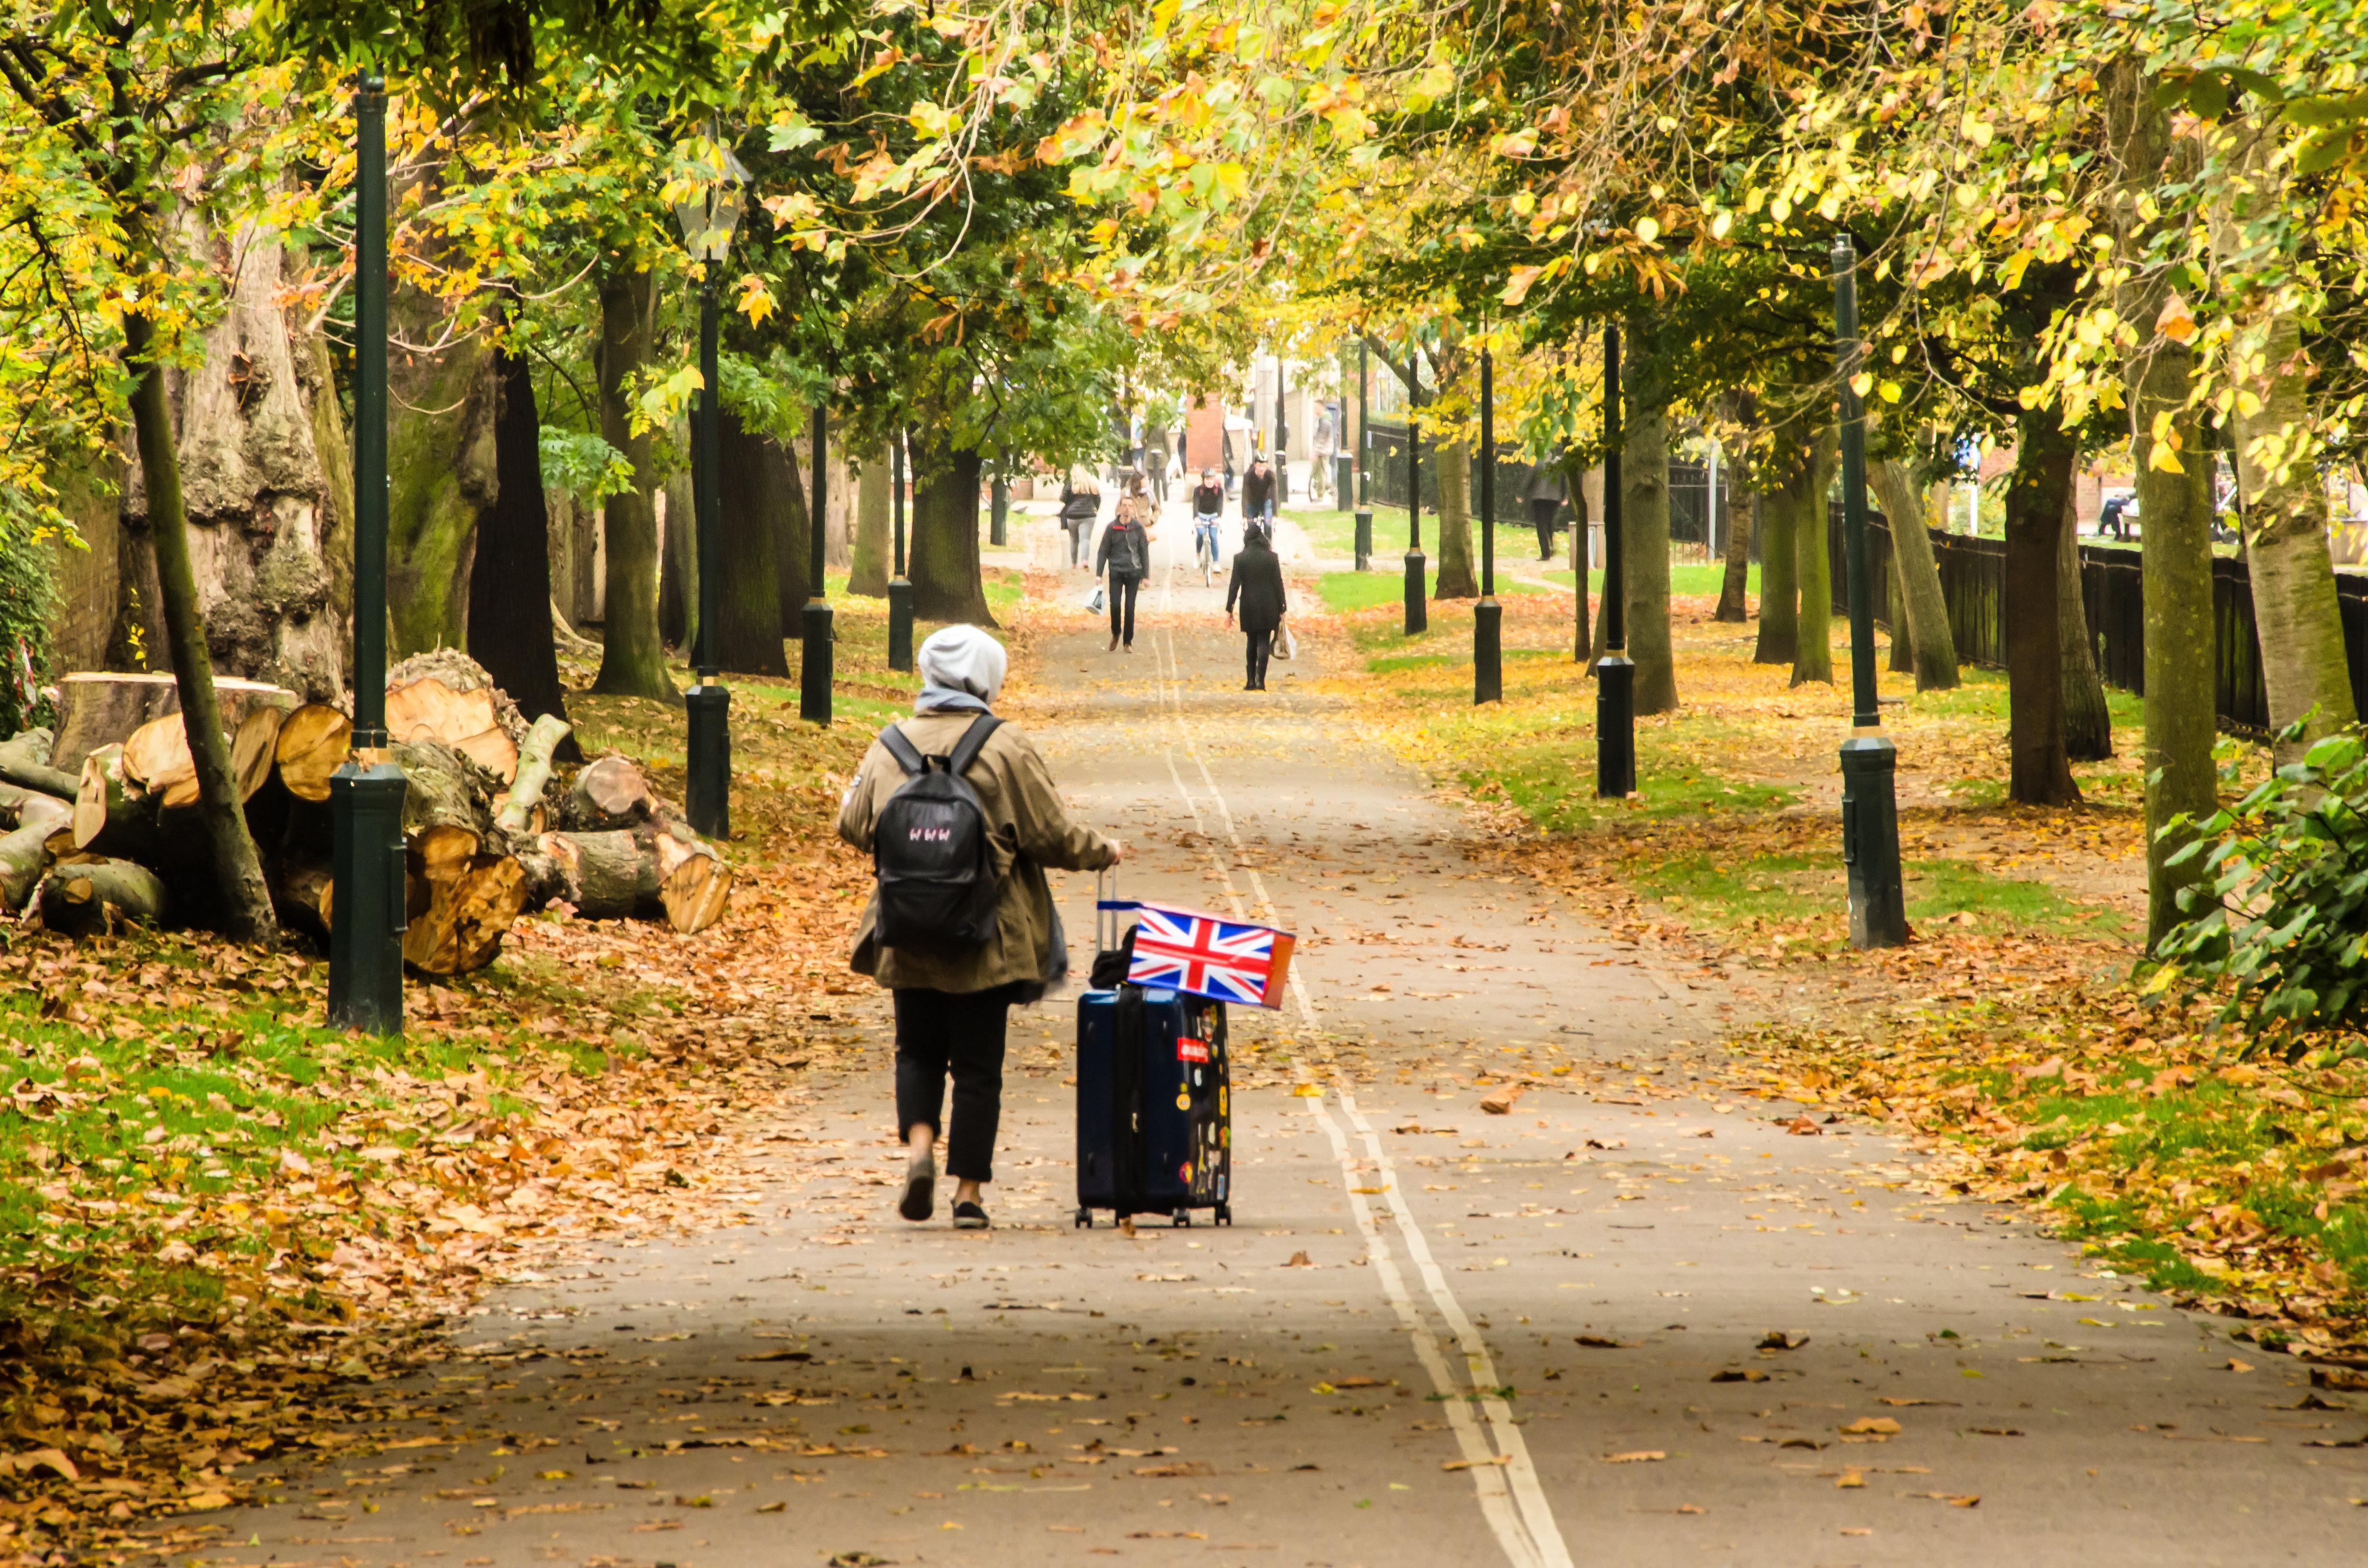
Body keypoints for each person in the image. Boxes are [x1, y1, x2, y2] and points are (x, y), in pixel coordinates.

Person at [837, 625, 1122, 1230]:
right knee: (977, 1066)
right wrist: (1103, 851)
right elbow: (1051, 835)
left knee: (915, 1049)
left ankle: (919, 1150)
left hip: (906, 928)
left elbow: (853, 824)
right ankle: (968, 1193)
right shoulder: (1003, 746)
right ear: (985, 677)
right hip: (985, 936)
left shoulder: (889, 745)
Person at [1227, 521, 1288, 691]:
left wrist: (1230, 608)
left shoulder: (1240, 558)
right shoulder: (1272, 557)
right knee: (1264, 640)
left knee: (1251, 641)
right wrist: (1283, 606)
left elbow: (1234, 585)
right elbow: (1278, 583)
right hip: (1270, 605)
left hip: (1249, 605)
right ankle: (1261, 680)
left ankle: (1250, 681)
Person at [1096, 479, 1155, 651]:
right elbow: (1102, 552)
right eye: (1125, 505)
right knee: (1115, 605)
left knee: (1130, 608)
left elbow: (1144, 552)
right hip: (1116, 571)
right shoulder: (1112, 528)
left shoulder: (1138, 529)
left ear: (1134, 509)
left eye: (1130, 506)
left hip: (1134, 572)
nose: (1127, 509)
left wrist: (1146, 576)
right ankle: (1116, 632)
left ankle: (1128, 642)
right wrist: (1099, 575)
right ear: (1120, 508)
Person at [1058, 465, 1101, 568]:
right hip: (1088, 516)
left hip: (1072, 516)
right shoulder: (1092, 485)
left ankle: (1074, 563)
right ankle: (1085, 561)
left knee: (1074, 540)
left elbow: (1063, 498)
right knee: (1085, 539)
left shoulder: (1071, 485)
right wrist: (1095, 510)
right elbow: (1098, 500)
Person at [1523, 464, 1567, 561]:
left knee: (1541, 525)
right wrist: (1564, 496)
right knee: (1550, 523)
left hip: (1539, 497)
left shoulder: (1536, 460)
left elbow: (1530, 478)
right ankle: (1551, 544)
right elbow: (1564, 479)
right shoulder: (1557, 461)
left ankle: (1546, 553)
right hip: (1555, 497)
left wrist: (1522, 493)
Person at [1190, 468, 1225, 577]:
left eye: (1211, 479)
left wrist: (1219, 518)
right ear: (1203, 480)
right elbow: (1195, 505)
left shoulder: (1219, 490)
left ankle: (1216, 562)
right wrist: (1196, 518)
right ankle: (1198, 556)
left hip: (1213, 516)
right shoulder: (1198, 490)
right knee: (1201, 534)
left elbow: (1220, 505)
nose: (1210, 481)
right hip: (1201, 515)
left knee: (1213, 537)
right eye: (1207, 479)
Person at [1241, 453, 1277, 530]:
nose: (1262, 469)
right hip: (1252, 503)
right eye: (1259, 466)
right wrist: (1244, 517)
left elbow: (1275, 495)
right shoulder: (1248, 475)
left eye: (1264, 466)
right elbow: (1245, 496)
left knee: (1268, 525)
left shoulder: (1271, 475)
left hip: (1266, 502)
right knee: (1250, 526)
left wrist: (1275, 516)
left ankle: (1268, 542)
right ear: (1255, 465)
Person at [1311, 404, 1337, 503]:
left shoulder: (1325, 421)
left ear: (1321, 408)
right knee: (1316, 473)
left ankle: (1320, 496)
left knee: (1320, 473)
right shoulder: (1321, 420)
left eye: (1316, 407)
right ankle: (1330, 488)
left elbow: (1321, 439)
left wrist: (1315, 453)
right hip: (1321, 451)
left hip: (1322, 452)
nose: (1314, 410)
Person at [1145, 423, 1172, 506]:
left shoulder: (1147, 425)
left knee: (1148, 479)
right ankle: (1165, 497)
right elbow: (1167, 442)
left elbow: (1142, 439)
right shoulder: (1163, 425)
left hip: (1150, 453)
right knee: (1163, 478)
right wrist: (1169, 455)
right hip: (1161, 453)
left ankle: (1146, 497)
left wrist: (1147, 446)